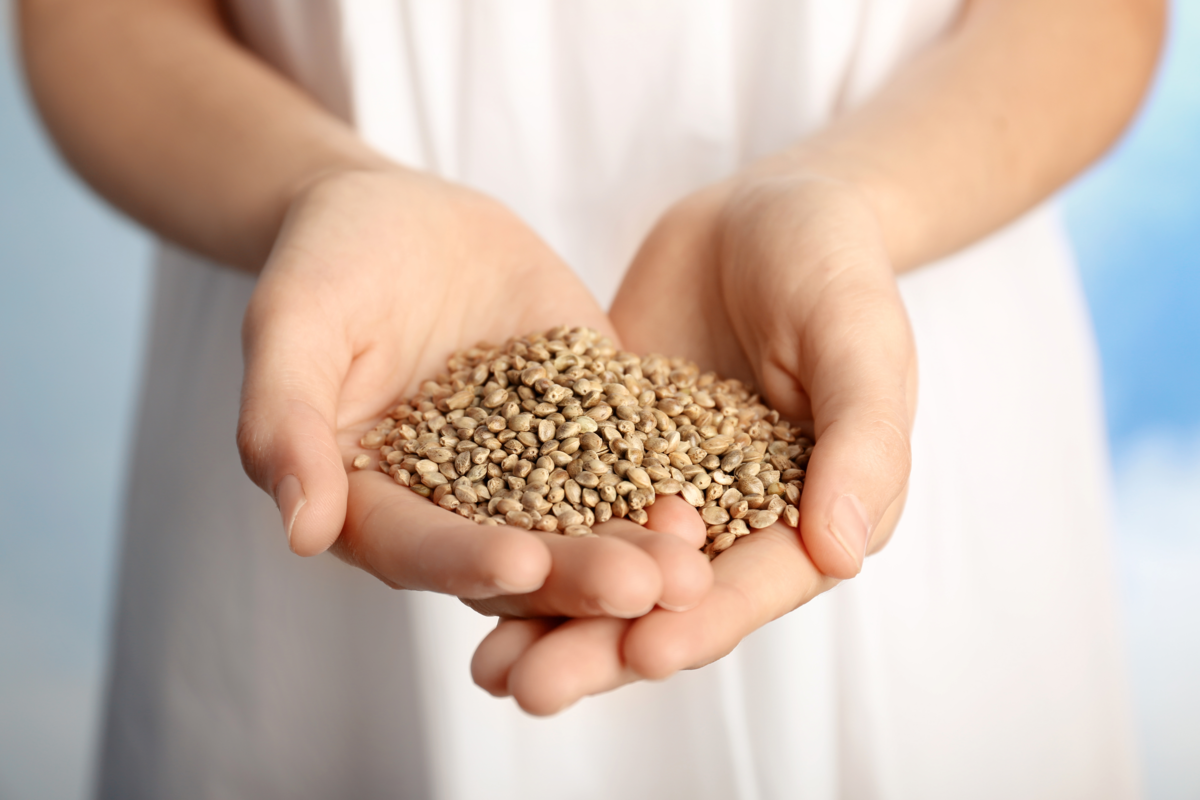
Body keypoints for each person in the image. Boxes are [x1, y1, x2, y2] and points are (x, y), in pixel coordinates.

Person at [20, 0, 1162, 797]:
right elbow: (93, 16)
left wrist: (846, 198)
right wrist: (322, 183)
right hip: (342, 360)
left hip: (875, 311)